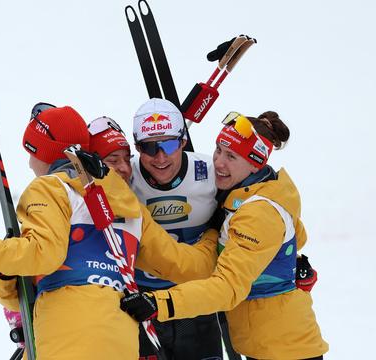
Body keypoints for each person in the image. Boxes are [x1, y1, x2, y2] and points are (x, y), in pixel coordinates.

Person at [0, 105, 218, 359]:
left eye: (31, 153)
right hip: (119, 338)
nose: (30, 164)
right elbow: (184, 265)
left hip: (66, 334)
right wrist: (212, 233)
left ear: (44, 154)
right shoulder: (130, 205)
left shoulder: (50, 188)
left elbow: (42, 255)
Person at [121, 111, 329, 359]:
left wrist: (158, 304)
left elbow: (227, 287)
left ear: (256, 163)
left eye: (231, 156)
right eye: (218, 150)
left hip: (285, 349)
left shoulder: (257, 211)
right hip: (266, 344)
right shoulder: (244, 198)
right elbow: (294, 238)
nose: (218, 163)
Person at [129, 98, 224, 359]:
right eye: (150, 147)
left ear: (183, 141)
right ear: (137, 148)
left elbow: (253, 209)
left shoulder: (210, 173)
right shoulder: (125, 178)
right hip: (141, 306)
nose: (160, 157)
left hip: (195, 303)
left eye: (169, 144)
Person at [88, 116, 132, 182]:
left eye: (127, 161)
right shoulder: (71, 191)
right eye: (113, 161)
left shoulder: (137, 190)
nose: (126, 169)